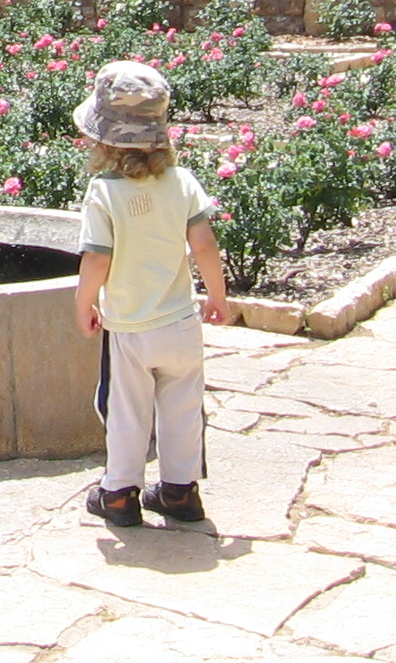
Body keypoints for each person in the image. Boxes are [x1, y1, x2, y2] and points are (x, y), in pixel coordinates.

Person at [72, 58, 231, 528]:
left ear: (102, 139)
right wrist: (217, 296)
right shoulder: (182, 182)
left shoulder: (104, 192)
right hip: (181, 322)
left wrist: (84, 301)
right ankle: (180, 492)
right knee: (183, 409)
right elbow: (204, 244)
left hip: (130, 328)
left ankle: (120, 494)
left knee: (127, 411)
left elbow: (97, 258)